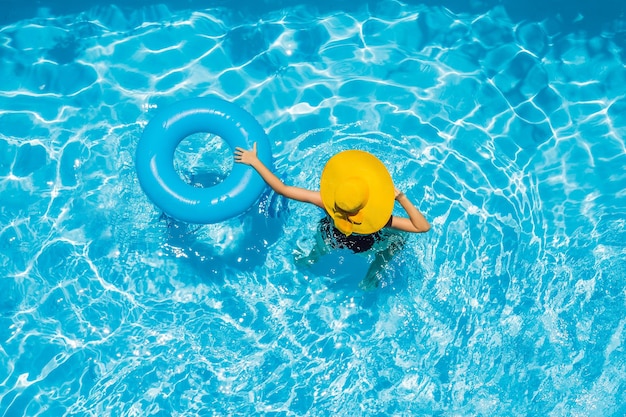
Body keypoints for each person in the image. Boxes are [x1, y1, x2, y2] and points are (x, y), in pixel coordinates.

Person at [234, 143, 430, 288]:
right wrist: (402, 198)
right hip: (366, 244)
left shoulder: (326, 203)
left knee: (320, 247)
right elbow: (422, 227)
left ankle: (310, 258)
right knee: (398, 240)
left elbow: (282, 189)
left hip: (331, 235)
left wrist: (254, 161)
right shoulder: (380, 220)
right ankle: (372, 275)